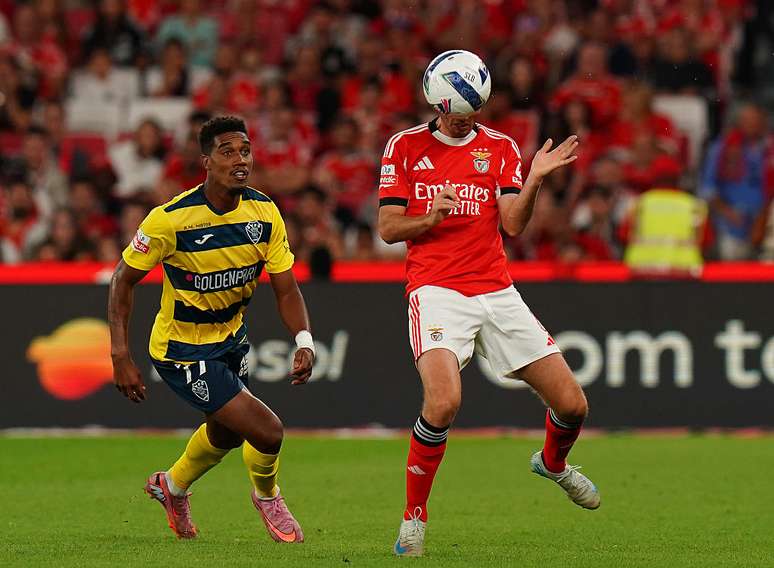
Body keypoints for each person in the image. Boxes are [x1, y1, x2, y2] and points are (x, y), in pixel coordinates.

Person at [378, 51, 600, 558]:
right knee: (443, 403)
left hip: (496, 290)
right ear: (435, 100)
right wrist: (428, 219)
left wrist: (536, 178)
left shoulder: (498, 147)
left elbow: (514, 225)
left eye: (471, 111)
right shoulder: (405, 147)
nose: (463, 120)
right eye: (455, 112)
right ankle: (414, 516)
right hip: (435, 290)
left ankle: (554, 463)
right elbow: (389, 228)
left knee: (572, 405)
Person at [108, 116, 313, 543]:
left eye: (245, 151)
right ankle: (268, 497)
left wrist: (304, 339)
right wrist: (120, 354)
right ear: (206, 161)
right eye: (227, 152)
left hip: (230, 342)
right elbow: (122, 280)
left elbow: (287, 289)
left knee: (225, 434)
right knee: (267, 431)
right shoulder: (171, 220)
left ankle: (172, 486)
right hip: (181, 350)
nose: (240, 160)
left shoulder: (264, 213)